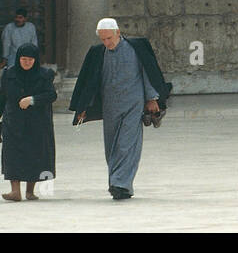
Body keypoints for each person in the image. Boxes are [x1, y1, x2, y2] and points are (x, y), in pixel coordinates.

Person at [68, 18, 171, 200]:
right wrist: (83, 106)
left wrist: (151, 98)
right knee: (112, 146)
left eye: (109, 38)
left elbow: (147, 73)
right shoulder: (98, 52)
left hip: (134, 103)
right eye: (103, 40)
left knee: (127, 145)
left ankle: (120, 184)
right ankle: (119, 184)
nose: (107, 43)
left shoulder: (136, 48)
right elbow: (89, 81)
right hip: (110, 105)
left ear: (118, 32)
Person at [0, 43, 57, 201]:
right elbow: (2, 97)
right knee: (13, 154)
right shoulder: (9, 74)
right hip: (14, 121)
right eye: (24, 59)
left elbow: (51, 95)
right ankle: (15, 191)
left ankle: (30, 191)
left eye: (30, 60)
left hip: (37, 122)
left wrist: (32, 100)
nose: (27, 62)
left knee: (34, 154)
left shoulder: (45, 74)